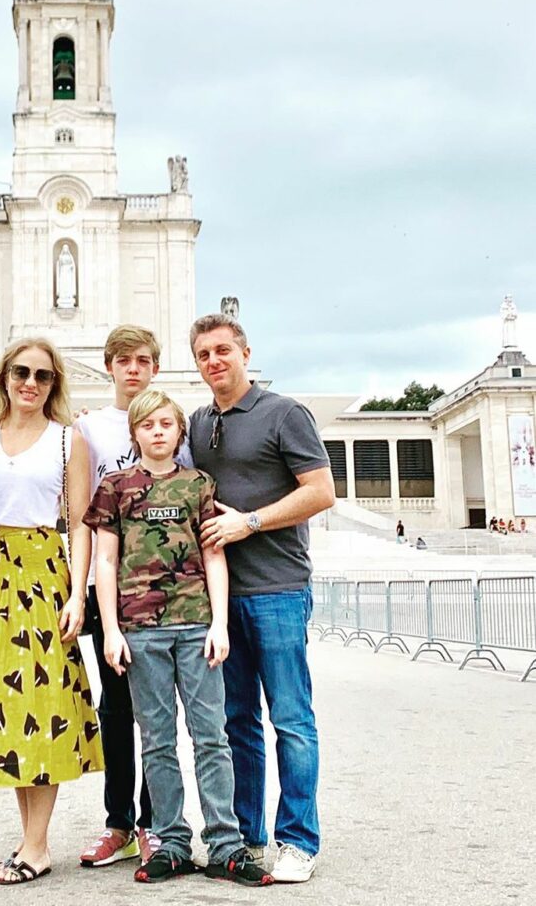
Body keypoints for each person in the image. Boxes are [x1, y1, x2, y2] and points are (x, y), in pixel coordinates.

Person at [85, 389, 273, 887]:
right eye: (149, 425)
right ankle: (170, 840)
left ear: (179, 431)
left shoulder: (198, 486)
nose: (159, 432)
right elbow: (105, 560)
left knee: (211, 738)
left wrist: (219, 624)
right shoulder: (115, 487)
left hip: (195, 629)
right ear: (136, 433)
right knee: (158, 741)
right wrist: (109, 629)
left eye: (168, 424)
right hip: (140, 631)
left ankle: (225, 844)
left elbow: (215, 556)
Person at [188, 314, 335, 884]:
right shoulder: (198, 424)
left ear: (246, 352)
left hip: (277, 589)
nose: (214, 361)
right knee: (236, 723)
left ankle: (298, 840)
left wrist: (250, 523)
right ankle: (246, 838)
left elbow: (320, 492)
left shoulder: (284, 413)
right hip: (221, 599)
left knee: (291, 719)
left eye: (223, 350)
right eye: (203, 354)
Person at [0, 337, 103, 885]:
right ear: (5, 376)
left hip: (42, 576)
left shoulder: (69, 441)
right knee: (9, 711)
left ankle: (37, 846)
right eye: (22, 372)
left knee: (42, 704)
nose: (30, 383)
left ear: (54, 385)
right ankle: (28, 839)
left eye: (43, 376)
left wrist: (78, 593)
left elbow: (82, 520)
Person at [75, 325, 163, 868]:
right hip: (109, 591)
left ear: (155, 367)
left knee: (157, 712)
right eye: (124, 360)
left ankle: (156, 824)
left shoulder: (174, 421)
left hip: (165, 592)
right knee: (116, 708)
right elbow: (79, 510)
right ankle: (118, 824)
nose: (133, 369)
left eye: (144, 360)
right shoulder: (86, 427)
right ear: (109, 366)